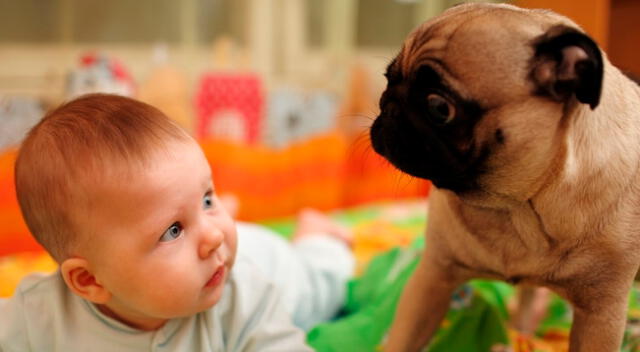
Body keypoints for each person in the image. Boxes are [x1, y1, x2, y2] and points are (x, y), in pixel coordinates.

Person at [0, 94, 354, 351]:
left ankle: (315, 234)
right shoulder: (40, 315)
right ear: (90, 279)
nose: (213, 237)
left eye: (207, 196)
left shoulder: (243, 296)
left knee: (325, 278)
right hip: (221, 257)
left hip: (273, 262)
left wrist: (194, 219)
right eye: (173, 230)